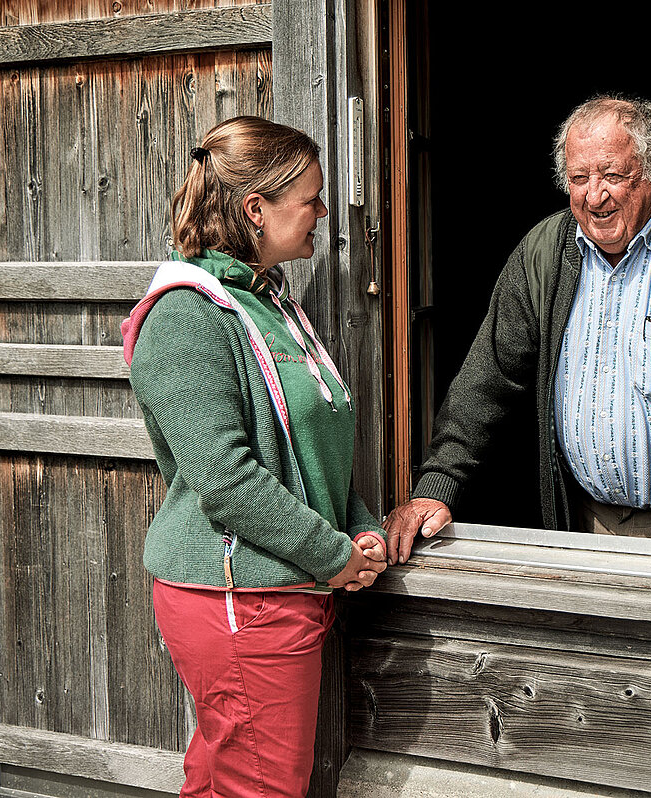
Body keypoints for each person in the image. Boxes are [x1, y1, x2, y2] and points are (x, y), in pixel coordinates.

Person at [384, 96, 651, 595]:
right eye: (578, 179)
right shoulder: (544, 252)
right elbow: (488, 377)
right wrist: (437, 485)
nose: (594, 197)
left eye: (612, 175)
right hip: (582, 521)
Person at [122, 115, 386, 797]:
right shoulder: (187, 315)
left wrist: (359, 526)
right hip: (238, 601)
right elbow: (225, 481)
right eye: (311, 200)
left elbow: (315, 447)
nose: (324, 213)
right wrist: (333, 557)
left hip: (280, 589)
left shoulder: (269, 305)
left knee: (222, 784)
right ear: (254, 209)